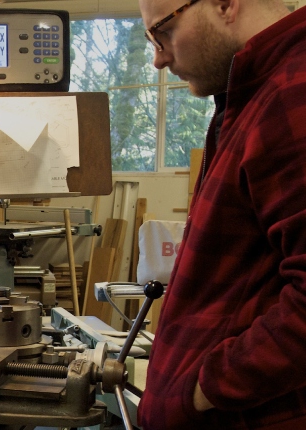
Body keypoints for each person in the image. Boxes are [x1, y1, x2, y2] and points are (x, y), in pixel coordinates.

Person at [136, 0, 306, 428]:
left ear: (225, 4)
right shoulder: (254, 92)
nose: (158, 58)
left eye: (164, 32)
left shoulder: (295, 91)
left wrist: (201, 391)